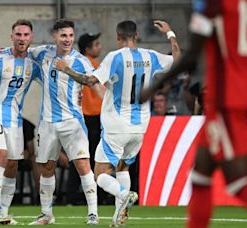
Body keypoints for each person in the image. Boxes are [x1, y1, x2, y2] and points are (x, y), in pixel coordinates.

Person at [54, 20, 180, 226]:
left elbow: (90, 81)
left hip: (116, 126)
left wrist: (66, 69)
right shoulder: (150, 56)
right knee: (123, 168)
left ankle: (124, 194)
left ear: (118, 37)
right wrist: (170, 33)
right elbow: (177, 59)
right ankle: (118, 217)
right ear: (136, 36)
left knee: (100, 175)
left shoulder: (115, 57)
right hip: (140, 127)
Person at [139, 1, 247, 227]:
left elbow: (191, 56)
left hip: (227, 99)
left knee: (237, 180)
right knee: (201, 175)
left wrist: (155, 85)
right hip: (239, 93)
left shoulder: (214, 5)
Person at [28, 19, 103, 225]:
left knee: (83, 164)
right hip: (47, 122)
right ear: (55, 36)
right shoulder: (44, 52)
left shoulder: (81, 60)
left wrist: (67, 70)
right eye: (63, 35)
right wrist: (1, 50)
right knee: (46, 167)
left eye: (70, 35)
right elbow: (24, 50)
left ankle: (93, 213)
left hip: (73, 122)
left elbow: (91, 82)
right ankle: (46, 214)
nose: (68, 39)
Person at [0, 19, 42, 224]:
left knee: (13, 165)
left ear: (31, 38)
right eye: (18, 34)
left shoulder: (33, 66)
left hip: (16, 121)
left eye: (26, 35)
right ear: (11, 37)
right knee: (0, 156)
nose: (22, 39)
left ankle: (3, 212)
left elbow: (51, 84)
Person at [66, 32, 104, 205]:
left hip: (81, 118)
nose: (100, 47)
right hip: (93, 118)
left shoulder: (76, 64)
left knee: (79, 157)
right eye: (96, 44)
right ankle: (99, 195)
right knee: (94, 158)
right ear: (87, 49)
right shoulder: (93, 65)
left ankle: (71, 195)